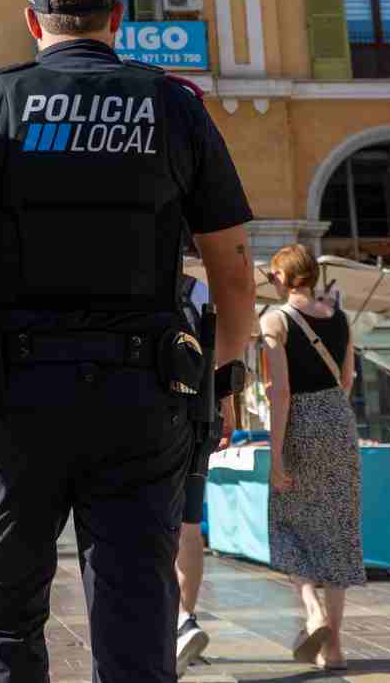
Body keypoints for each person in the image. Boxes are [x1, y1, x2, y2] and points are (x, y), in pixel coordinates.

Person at [0, 0, 257, 683]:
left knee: (5, 614)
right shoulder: (174, 105)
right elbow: (236, 271)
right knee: (135, 615)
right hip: (142, 398)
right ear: (115, 18)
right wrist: (225, 381)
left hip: (14, 402)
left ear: (33, 21)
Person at [259, 245, 364, 672]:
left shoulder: (274, 319)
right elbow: (346, 378)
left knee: (288, 522)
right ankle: (334, 649)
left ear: (282, 277)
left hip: (300, 419)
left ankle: (311, 607)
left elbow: (280, 393)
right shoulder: (341, 317)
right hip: (339, 419)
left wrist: (276, 455)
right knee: (338, 528)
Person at [175, 271, 212, 677]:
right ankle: (186, 617)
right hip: (193, 416)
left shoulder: (119, 274)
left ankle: (180, 621)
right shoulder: (194, 289)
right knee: (189, 524)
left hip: (137, 417)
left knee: (151, 525)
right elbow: (215, 350)